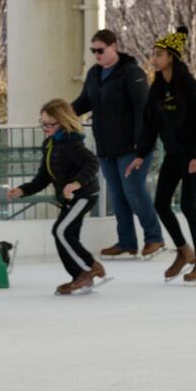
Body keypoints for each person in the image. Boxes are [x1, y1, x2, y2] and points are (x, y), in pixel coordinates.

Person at [127, 27, 196, 284]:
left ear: (172, 57)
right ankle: (183, 251)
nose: (154, 59)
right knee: (161, 204)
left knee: (188, 205)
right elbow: (150, 125)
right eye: (153, 54)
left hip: (192, 156)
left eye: (159, 54)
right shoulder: (157, 89)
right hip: (173, 155)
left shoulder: (189, 86)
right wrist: (141, 153)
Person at [73, 29, 166, 260]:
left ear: (114, 46)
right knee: (117, 195)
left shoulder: (132, 73)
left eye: (101, 50)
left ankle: (155, 238)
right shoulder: (94, 74)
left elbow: (143, 109)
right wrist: (59, 113)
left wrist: (141, 146)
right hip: (107, 147)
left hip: (132, 148)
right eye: (93, 51)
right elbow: (85, 102)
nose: (97, 55)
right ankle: (127, 242)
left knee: (133, 190)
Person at [8, 100, 105, 295]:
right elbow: (44, 177)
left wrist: (76, 183)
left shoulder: (71, 143)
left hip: (84, 195)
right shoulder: (51, 144)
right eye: (42, 123)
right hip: (71, 198)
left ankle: (88, 268)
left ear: (62, 122)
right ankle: (80, 276)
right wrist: (23, 190)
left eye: (49, 124)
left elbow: (92, 163)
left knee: (61, 230)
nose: (45, 127)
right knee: (67, 234)